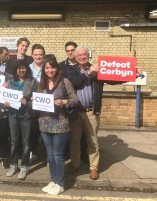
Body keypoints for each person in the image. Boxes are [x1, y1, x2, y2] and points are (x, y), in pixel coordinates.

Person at [66, 45, 142, 180]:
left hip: (91, 111)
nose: (82, 57)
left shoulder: (98, 69)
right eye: (80, 55)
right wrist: (88, 73)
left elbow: (114, 79)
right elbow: (74, 83)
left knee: (93, 141)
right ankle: (75, 163)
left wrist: (132, 74)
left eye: (85, 54)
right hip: (76, 111)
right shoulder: (71, 70)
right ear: (76, 58)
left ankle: (93, 168)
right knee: (74, 140)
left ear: (88, 55)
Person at [34, 54, 78, 195]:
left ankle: (61, 183)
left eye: (52, 67)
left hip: (60, 123)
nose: (50, 70)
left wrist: (64, 102)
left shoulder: (64, 82)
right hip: (44, 124)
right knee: (50, 155)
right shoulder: (41, 84)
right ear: (44, 69)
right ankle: (53, 181)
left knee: (58, 155)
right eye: (47, 67)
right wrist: (34, 99)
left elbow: (75, 99)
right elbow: (37, 101)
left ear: (57, 68)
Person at [4, 59, 38, 180]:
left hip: (26, 116)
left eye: (23, 68)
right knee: (13, 142)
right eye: (19, 68)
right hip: (13, 116)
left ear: (26, 69)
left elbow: (37, 100)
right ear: (15, 70)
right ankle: (13, 166)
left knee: (26, 143)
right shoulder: (10, 82)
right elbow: (5, 98)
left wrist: (27, 103)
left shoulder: (33, 82)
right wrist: (6, 103)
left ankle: (24, 167)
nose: (21, 70)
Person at [58, 41, 88, 164]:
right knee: (69, 133)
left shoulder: (86, 66)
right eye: (68, 50)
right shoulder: (61, 66)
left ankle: (84, 154)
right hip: (68, 104)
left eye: (72, 50)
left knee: (84, 134)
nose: (70, 52)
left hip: (84, 105)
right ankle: (67, 154)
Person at [28, 44, 45, 164]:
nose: (38, 56)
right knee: (33, 129)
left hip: (45, 104)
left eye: (40, 54)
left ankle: (47, 154)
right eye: (36, 54)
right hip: (32, 104)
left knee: (46, 130)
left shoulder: (48, 67)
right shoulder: (27, 68)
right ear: (32, 55)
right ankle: (33, 152)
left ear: (43, 55)